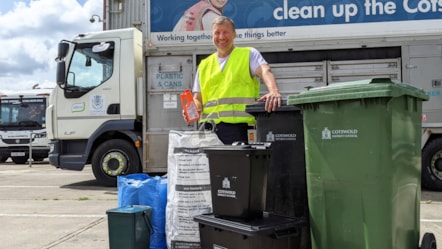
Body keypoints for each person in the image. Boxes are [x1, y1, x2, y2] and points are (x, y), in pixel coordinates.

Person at [186, 16, 282, 144]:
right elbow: (198, 99)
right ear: (212, 35)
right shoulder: (204, 65)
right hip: (208, 131)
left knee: (238, 164)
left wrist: (273, 91)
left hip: (239, 129)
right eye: (217, 33)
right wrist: (193, 108)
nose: (221, 37)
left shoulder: (249, 54)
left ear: (234, 34)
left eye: (225, 32)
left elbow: (265, 71)